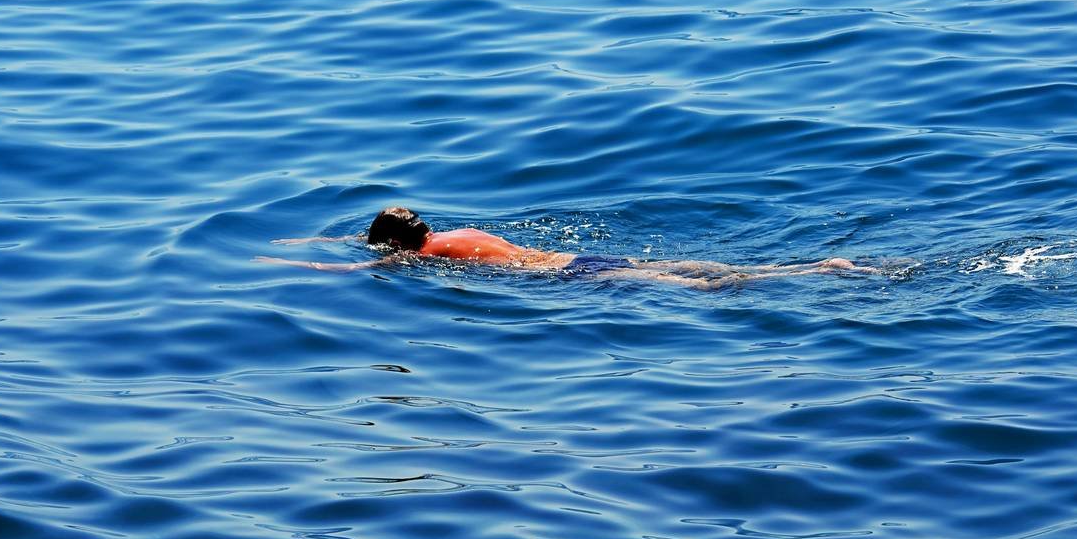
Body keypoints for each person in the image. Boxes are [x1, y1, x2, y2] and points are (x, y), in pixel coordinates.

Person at [255, 207, 878, 289]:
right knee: (692, 267)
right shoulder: (454, 235)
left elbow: (339, 262)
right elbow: (357, 243)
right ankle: (820, 263)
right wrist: (306, 236)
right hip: (571, 259)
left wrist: (289, 261)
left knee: (702, 288)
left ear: (395, 245)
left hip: (575, 279)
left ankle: (803, 276)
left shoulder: (422, 260)